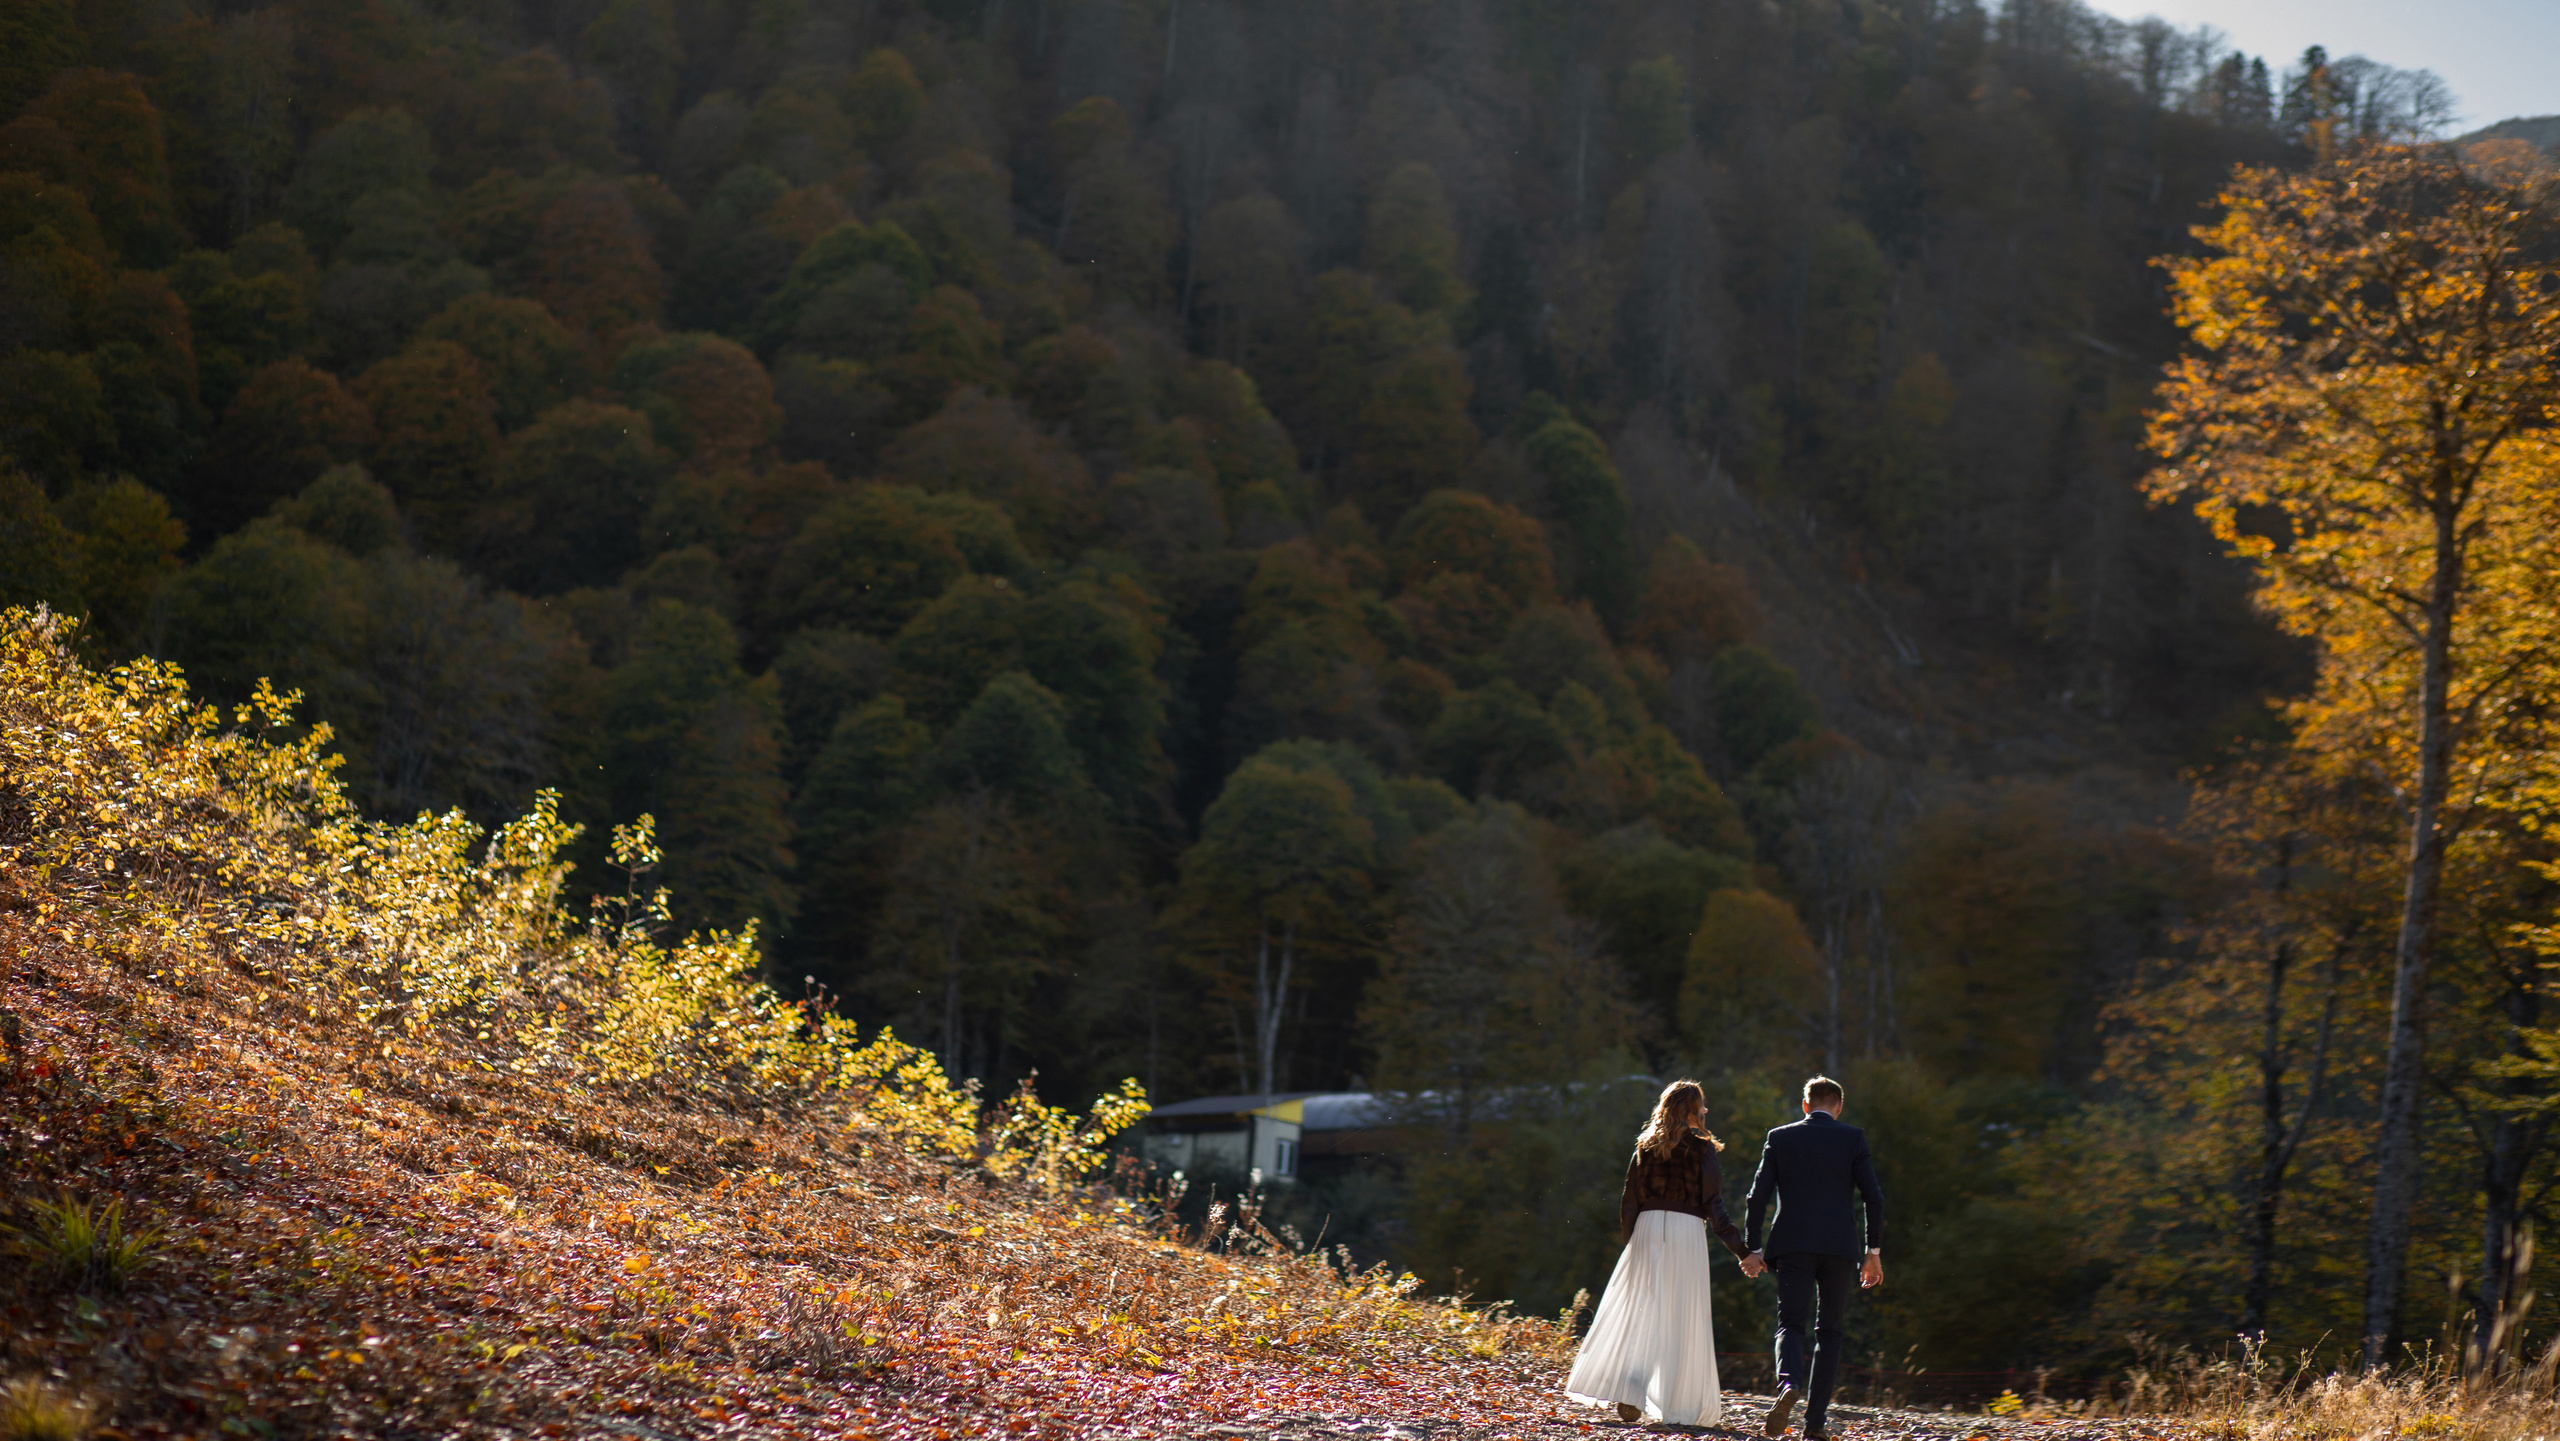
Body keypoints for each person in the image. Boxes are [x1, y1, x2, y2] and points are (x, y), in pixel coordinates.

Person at [1566, 1079, 1751, 1427]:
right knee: (1681, 1313)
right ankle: (1677, 1403)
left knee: (1643, 1307)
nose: (1706, 1111)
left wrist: (1632, 1242)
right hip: (1685, 1230)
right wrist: (1742, 1251)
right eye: (1701, 1106)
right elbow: (1713, 1205)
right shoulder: (1702, 1149)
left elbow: (1629, 1199)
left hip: (1647, 1226)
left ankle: (1631, 1388)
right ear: (1690, 1110)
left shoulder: (1645, 1145)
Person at [1740, 1075, 1885, 1441]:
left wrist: (1753, 1248)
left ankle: (1789, 1383)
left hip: (1793, 1245)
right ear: (1839, 1107)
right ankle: (1815, 1423)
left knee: (1790, 1324)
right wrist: (1873, 1252)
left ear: (1805, 1105)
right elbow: (1873, 1197)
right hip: (1839, 1247)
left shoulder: (1780, 1137)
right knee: (1830, 1331)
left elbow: (1757, 1196)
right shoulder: (1853, 1138)